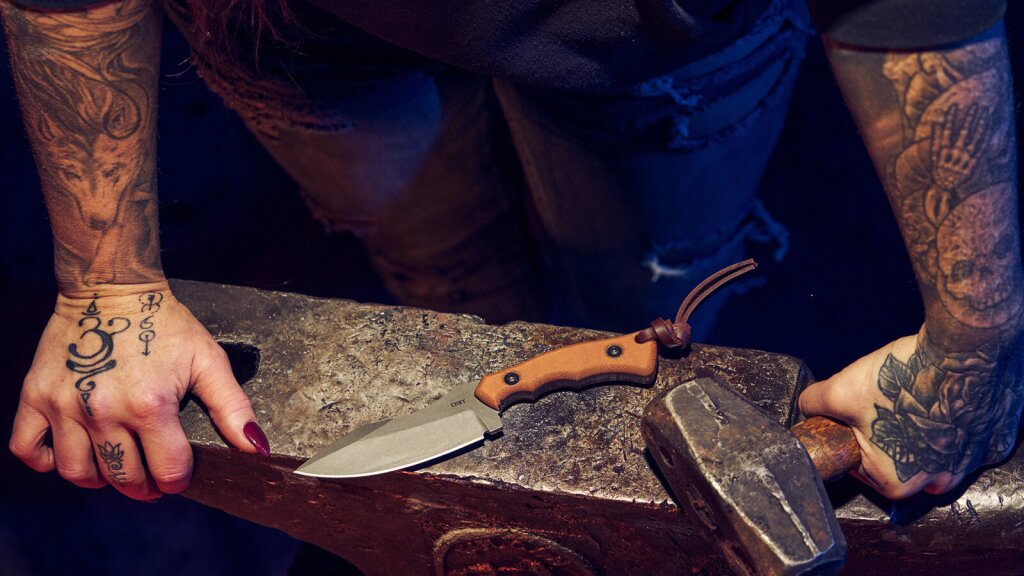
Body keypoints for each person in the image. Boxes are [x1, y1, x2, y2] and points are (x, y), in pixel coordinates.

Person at [2, 0, 1020, 507]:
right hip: (304, 37)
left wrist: (976, 333)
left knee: (638, 291)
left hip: (658, 43)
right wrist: (108, 279)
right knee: (440, 282)